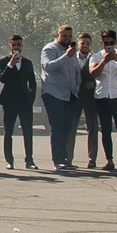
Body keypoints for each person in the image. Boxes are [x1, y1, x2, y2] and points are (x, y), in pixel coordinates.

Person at [85, 30, 117, 170]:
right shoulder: (97, 56)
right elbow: (93, 74)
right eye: (106, 43)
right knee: (105, 129)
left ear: (115, 42)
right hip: (102, 96)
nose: (108, 46)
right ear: (102, 43)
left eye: (111, 43)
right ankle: (109, 160)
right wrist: (104, 61)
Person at [39, 26, 81, 171]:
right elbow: (48, 66)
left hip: (69, 94)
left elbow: (76, 71)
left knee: (67, 127)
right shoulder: (49, 49)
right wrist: (66, 56)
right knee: (57, 126)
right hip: (53, 93)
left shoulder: (71, 51)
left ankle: (65, 159)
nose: (67, 39)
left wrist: (76, 87)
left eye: (69, 36)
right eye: (64, 36)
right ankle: (58, 160)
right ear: (58, 35)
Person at [0, 35, 37, 168]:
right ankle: (9, 161)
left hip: (24, 101)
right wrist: (11, 64)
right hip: (9, 101)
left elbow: (32, 83)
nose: (16, 48)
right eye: (13, 45)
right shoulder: (3, 61)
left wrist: (30, 98)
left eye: (18, 45)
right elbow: (2, 79)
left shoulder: (27, 63)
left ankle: (29, 160)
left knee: (28, 132)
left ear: (22, 46)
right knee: (8, 131)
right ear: (9, 46)